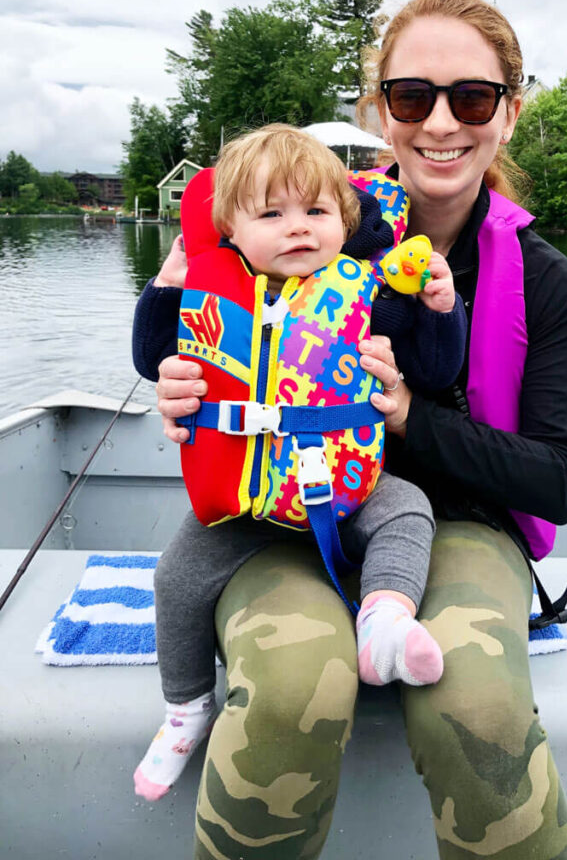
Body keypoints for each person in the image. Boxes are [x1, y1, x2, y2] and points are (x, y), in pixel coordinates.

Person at [151, 0, 567, 859]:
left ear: (508, 111)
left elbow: (558, 481)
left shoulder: (546, 280)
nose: (440, 123)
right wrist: (183, 389)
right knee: (285, 693)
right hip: (277, 515)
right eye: (411, 96)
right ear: (379, 110)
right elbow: (190, 333)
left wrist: (406, 417)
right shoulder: (295, 224)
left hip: (458, 525)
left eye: (471, 98)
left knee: (481, 707)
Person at [131, 123, 467, 802]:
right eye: (272, 214)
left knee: (409, 509)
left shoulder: (369, 291)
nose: (298, 230)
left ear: (344, 221)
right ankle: (186, 707)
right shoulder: (214, 288)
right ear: (231, 224)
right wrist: (167, 284)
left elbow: (435, 370)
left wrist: (440, 308)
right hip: (245, 507)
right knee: (173, 579)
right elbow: (150, 356)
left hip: (351, 486)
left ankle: (383, 622)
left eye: (316, 212)